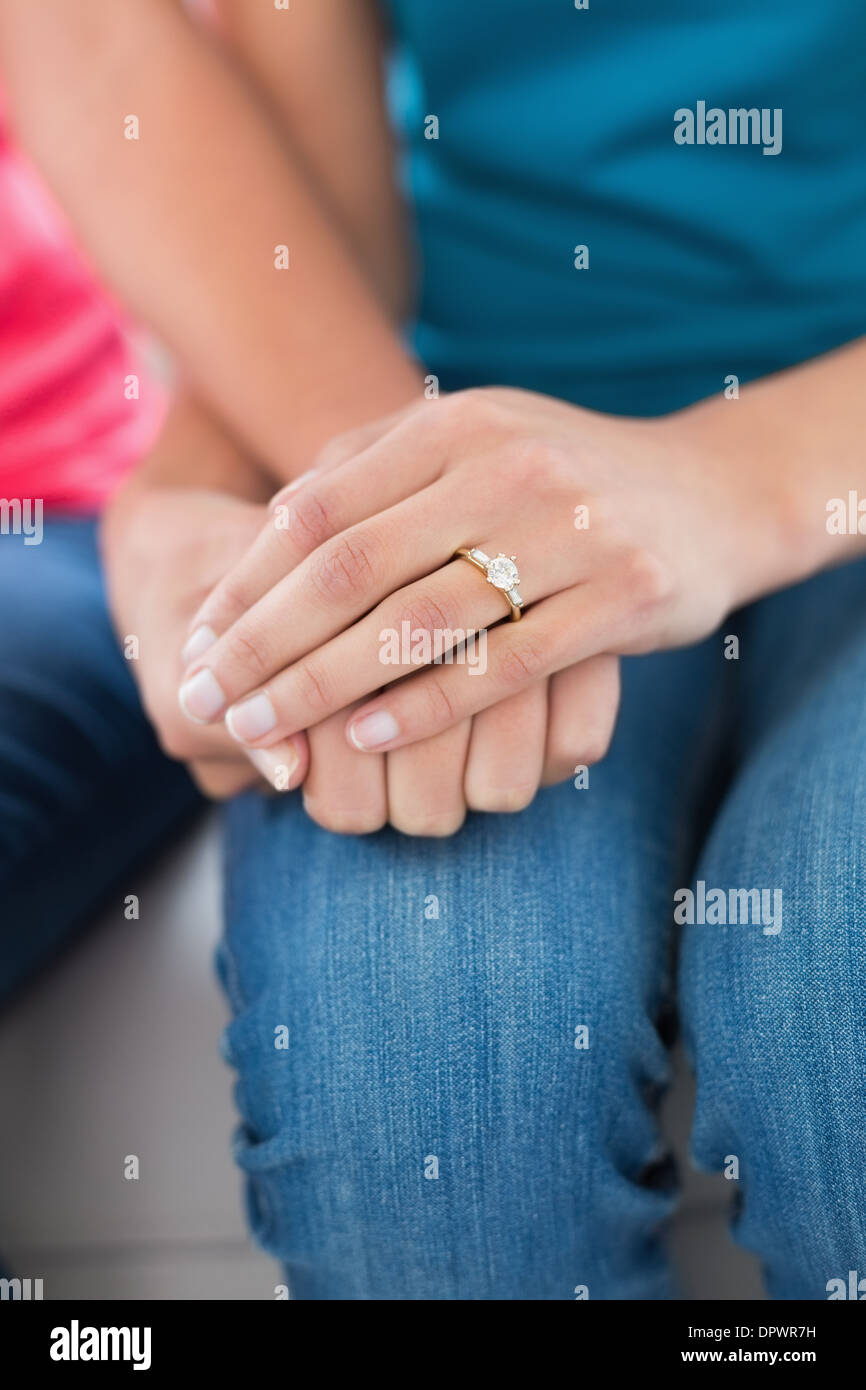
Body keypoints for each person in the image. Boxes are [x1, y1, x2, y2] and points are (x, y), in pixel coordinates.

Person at [2, 0, 866, 1299]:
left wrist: (728, 480)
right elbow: (241, 99)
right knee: (415, 1089)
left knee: (835, 1030)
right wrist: (300, 487)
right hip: (476, 419)